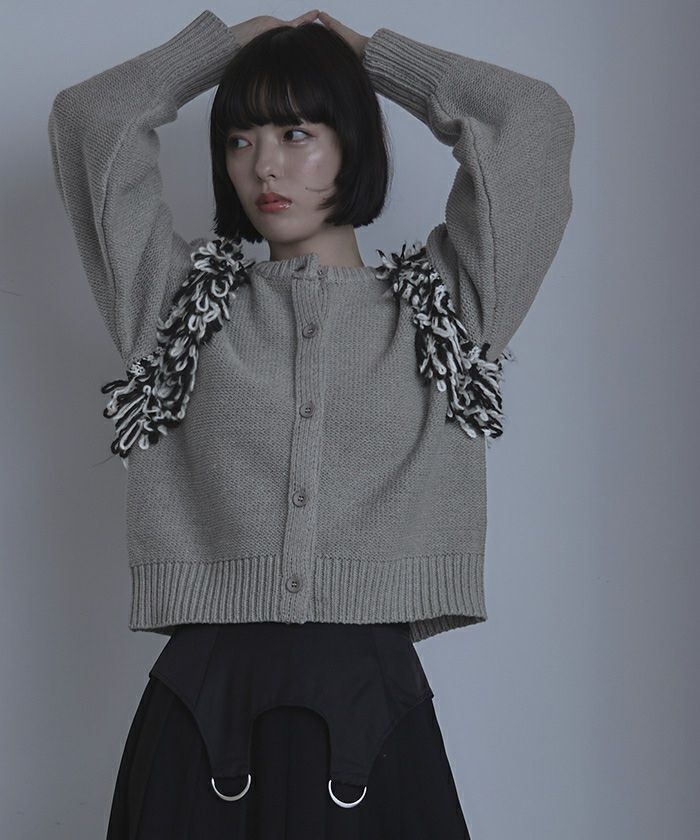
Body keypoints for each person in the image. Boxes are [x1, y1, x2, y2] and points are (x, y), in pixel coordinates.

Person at [48, 8, 574, 838]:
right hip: (201, 706)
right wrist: (219, 49)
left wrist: (370, 57)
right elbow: (90, 118)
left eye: (297, 133)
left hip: (373, 706)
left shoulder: (446, 314)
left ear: (353, 142)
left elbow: (531, 122)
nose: (265, 165)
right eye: (240, 139)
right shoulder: (176, 311)